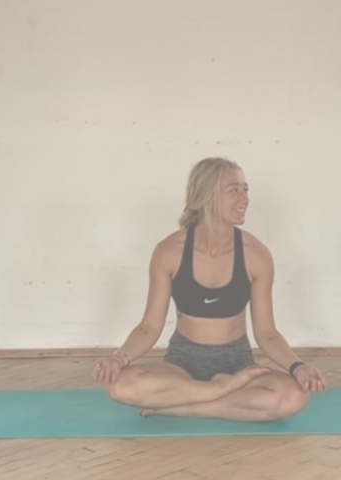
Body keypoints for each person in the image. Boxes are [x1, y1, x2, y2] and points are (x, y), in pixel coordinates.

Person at [92, 157, 328, 422]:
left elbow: (267, 333)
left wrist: (297, 367)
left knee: (293, 398)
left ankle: (180, 406)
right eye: (234, 190)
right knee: (120, 386)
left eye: (245, 189)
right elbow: (149, 327)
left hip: (237, 364)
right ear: (206, 196)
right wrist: (119, 359)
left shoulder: (256, 255)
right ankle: (220, 391)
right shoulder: (169, 252)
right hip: (181, 365)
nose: (244, 198)